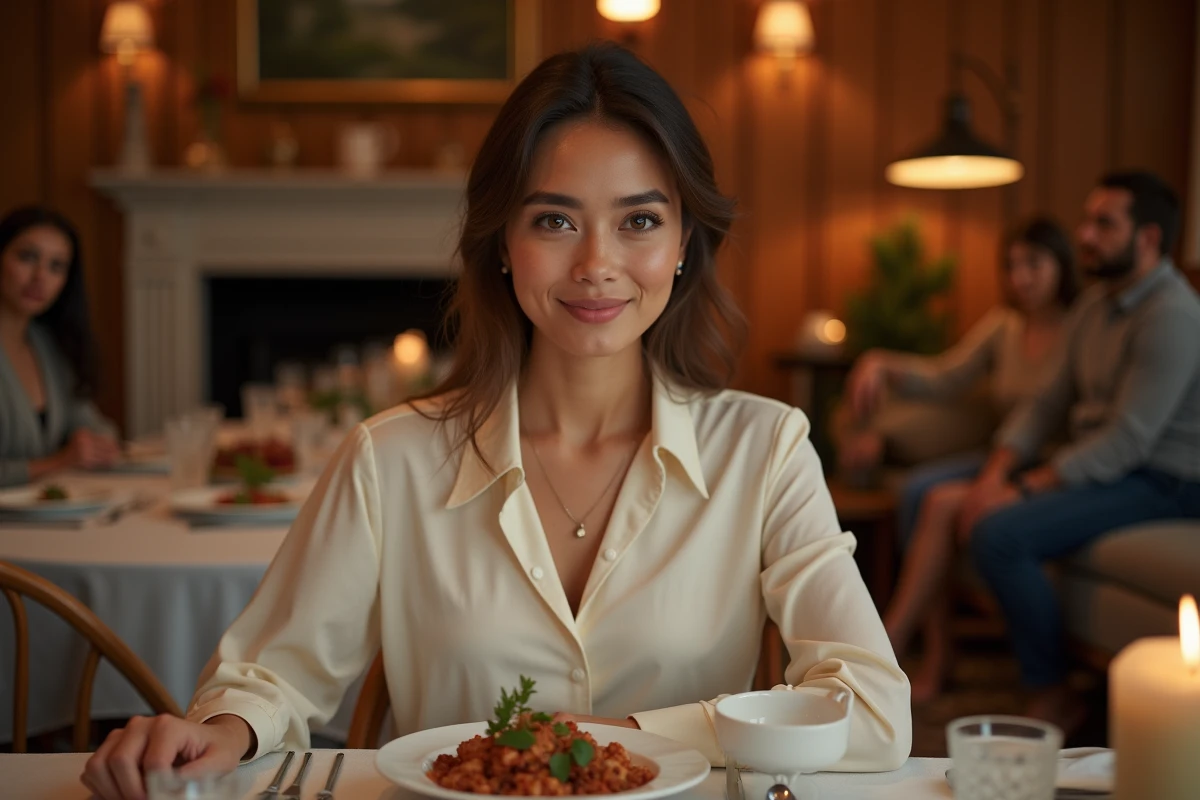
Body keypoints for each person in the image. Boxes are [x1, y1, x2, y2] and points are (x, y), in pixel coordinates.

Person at [81, 43, 910, 799]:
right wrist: (217, 729)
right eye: (554, 220)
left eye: (640, 221)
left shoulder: (765, 450)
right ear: (503, 243)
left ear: (686, 241)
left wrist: (619, 740)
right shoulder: (390, 458)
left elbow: (873, 711)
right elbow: (270, 679)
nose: (596, 265)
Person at [960, 171, 1200, 732]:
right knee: (984, 512)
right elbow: (1045, 402)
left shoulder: (1173, 315)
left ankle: (1052, 692)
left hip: (1168, 480)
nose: (1084, 235)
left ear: (1147, 239)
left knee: (1002, 534)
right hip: (1117, 469)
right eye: (1088, 220)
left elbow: (1128, 440)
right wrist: (994, 474)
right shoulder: (1094, 305)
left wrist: (1019, 491)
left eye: (1103, 224)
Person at [844, 218, 1078, 702]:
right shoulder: (1005, 325)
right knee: (915, 490)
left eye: (1033, 263)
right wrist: (883, 361)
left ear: (1061, 264)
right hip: (1003, 454)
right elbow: (946, 376)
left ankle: (890, 642)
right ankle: (938, 650)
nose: (1020, 277)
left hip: (1051, 461)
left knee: (938, 500)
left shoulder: (1083, 328)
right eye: (1011, 266)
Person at [0, 206, 119, 487]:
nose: (40, 277)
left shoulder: (47, 344)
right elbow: (66, 458)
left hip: (42, 517)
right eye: (27, 257)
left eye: (57, 266)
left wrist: (96, 444)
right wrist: (59, 462)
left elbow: (93, 425)